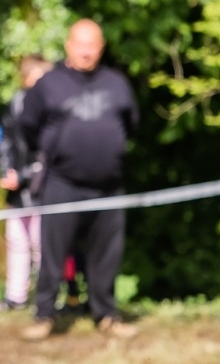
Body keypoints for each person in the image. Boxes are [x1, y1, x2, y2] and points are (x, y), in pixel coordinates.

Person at [21, 19, 139, 340]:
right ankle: (44, 315)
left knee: (107, 254)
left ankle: (106, 314)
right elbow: (28, 126)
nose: (86, 51)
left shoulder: (117, 83)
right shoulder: (49, 84)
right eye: (80, 44)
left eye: (92, 45)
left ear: (101, 48)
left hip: (109, 186)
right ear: (68, 45)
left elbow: (131, 125)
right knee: (53, 253)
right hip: (62, 183)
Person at [0, 55, 53, 311]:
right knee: (17, 241)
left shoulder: (53, 108)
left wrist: (23, 176)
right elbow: (6, 140)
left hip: (43, 187)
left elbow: (50, 154)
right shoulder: (16, 103)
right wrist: (7, 171)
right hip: (17, 191)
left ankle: (46, 297)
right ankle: (15, 296)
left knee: (42, 245)